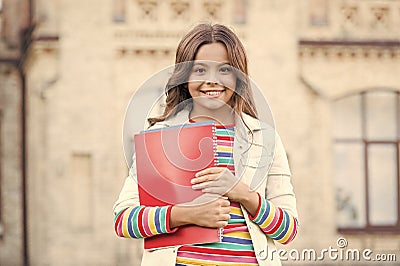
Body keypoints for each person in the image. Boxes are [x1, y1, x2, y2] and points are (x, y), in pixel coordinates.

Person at [113, 23, 298, 266]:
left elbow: (288, 230)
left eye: (224, 70)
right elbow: (124, 219)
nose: (212, 81)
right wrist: (186, 215)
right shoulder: (160, 137)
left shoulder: (264, 138)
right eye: (199, 70)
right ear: (185, 76)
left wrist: (243, 194)